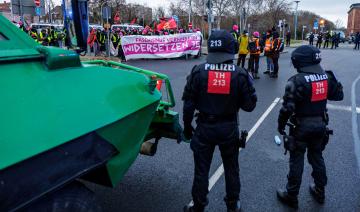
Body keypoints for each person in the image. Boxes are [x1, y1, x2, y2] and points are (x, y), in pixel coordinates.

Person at [182, 30, 257, 212]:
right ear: (231, 49)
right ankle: (233, 205)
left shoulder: (198, 71)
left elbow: (188, 105)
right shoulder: (240, 74)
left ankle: (198, 206)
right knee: (231, 168)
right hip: (229, 128)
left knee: (201, 170)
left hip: (204, 127)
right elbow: (250, 106)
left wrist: (187, 127)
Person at [277, 45, 344, 209]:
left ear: (299, 62)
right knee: (317, 158)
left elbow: (287, 109)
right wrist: (332, 79)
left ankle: (291, 195)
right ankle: (320, 190)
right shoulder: (326, 77)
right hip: (320, 126)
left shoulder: (296, 81)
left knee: (296, 161)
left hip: (300, 128)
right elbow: (339, 95)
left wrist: (280, 126)